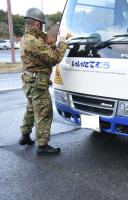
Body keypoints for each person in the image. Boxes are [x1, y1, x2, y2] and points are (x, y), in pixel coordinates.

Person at [19, 8, 72, 156]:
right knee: (44, 113)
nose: (42, 27)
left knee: (31, 109)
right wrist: (63, 43)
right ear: (36, 24)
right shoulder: (34, 41)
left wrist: (55, 44)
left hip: (29, 81)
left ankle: (25, 135)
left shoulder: (27, 38)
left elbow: (45, 52)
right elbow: (53, 58)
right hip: (37, 83)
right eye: (41, 24)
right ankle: (42, 146)